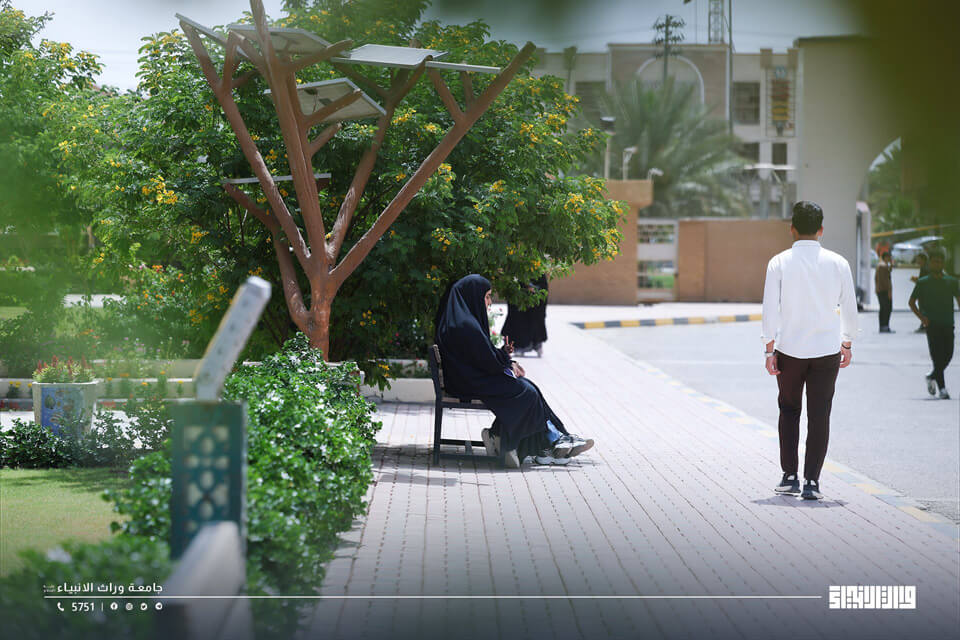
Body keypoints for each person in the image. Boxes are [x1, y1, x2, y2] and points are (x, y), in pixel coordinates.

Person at [434, 274, 594, 468]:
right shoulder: (465, 325)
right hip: (469, 383)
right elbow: (486, 361)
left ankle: (550, 442)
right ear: (473, 296)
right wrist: (507, 363)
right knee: (527, 393)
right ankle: (544, 442)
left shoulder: (462, 321)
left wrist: (505, 358)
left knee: (528, 388)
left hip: (470, 379)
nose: (490, 302)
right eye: (487, 296)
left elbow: (483, 357)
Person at [761, 201, 858, 501]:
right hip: (827, 351)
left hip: (789, 350)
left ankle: (789, 477)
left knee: (789, 411)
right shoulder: (838, 263)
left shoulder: (778, 262)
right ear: (821, 230)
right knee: (819, 415)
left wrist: (769, 350)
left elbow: (769, 309)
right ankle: (812, 482)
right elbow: (850, 308)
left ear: (791, 229)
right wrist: (847, 343)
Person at [908, 250, 959, 400]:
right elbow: (911, 302)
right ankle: (942, 389)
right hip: (932, 325)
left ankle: (932, 376)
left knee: (948, 354)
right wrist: (922, 318)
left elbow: (959, 299)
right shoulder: (923, 282)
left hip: (948, 323)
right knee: (937, 356)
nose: (937, 264)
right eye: (935, 261)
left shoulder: (951, 281)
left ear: (943, 264)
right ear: (930, 263)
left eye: (940, 262)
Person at [500, 275, 549, 357]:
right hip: (518, 292)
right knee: (517, 317)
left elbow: (542, 286)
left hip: (536, 291)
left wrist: (533, 288)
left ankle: (537, 344)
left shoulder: (538, 271)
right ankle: (518, 346)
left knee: (537, 317)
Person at [911, 253, 931, 332]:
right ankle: (924, 324)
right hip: (924, 292)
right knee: (923, 308)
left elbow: (924, 281)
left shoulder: (925, 268)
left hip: (924, 292)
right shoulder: (925, 267)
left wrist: (916, 280)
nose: (917, 260)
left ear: (922, 259)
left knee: (923, 308)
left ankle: (924, 324)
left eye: (918, 259)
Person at [875, 251, 894, 333]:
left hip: (880, 290)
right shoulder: (883, 266)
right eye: (889, 257)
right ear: (886, 257)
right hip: (884, 291)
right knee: (887, 308)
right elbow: (886, 281)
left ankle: (883, 326)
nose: (890, 258)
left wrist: (891, 265)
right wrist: (889, 291)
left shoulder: (881, 265)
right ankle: (884, 326)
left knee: (883, 308)